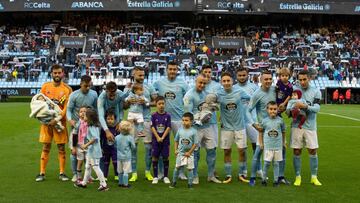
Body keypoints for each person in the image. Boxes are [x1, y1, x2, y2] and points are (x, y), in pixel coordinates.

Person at [35, 64, 72, 182]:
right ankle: (41, 173)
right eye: (55, 73)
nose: (57, 75)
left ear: (63, 74)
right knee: (46, 146)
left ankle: (62, 173)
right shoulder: (45, 87)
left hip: (59, 123)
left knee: (61, 148)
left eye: (59, 73)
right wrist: (45, 118)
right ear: (51, 73)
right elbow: (39, 103)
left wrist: (56, 119)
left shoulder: (67, 89)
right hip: (46, 123)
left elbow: (67, 108)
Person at [153, 61, 189, 180]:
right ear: (167, 70)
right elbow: (151, 93)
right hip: (162, 120)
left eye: (175, 69)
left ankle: (181, 172)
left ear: (177, 70)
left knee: (182, 146)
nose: (172, 71)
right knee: (161, 145)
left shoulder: (183, 83)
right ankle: (160, 173)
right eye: (170, 69)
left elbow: (188, 97)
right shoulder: (159, 82)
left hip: (179, 119)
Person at [184, 74, 221, 184]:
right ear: (195, 81)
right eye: (200, 82)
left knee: (212, 151)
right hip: (196, 129)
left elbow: (212, 107)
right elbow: (188, 114)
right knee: (195, 153)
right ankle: (195, 176)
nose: (202, 85)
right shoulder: (189, 95)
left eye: (204, 83)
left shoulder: (207, 94)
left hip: (208, 127)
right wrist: (198, 119)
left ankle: (211, 175)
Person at [287, 70, 322, 186]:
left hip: (310, 126)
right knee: (297, 151)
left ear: (309, 78)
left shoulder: (316, 92)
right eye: (300, 79)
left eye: (304, 79)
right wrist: (291, 111)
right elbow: (289, 108)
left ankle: (314, 177)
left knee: (312, 150)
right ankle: (298, 177)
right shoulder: (294, 91)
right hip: (296, 126)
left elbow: (317, 108)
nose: (302, 82)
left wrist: (305, 106)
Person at [217, 72, 250, 184]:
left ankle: (241, 174)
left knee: (242, 151)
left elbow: (250, 99)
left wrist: (245, 108)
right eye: (224, 81)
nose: (226, 83)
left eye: (228, 81)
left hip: (240, 126)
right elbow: (213, 103)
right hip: (226, 128)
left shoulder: (239, 92)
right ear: (221, 82)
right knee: (227, 151)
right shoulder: (218, 94)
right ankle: (228, 175)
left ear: (232, 81)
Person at [124, 66, 156, 182]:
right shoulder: (128, 88)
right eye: (139, 75)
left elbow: (156, 102)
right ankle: (134, 173)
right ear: (134, 74)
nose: (142, 77)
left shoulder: (149, 87)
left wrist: (147, 103)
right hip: (133, 121)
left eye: (143, 75)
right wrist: (128, 102)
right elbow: (123, 106)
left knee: (148, 147)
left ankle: (148, 172)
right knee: (133, 147)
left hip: (146, 120)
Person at [67, 75, 98, 182]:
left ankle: (87, 175)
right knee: (74, 152)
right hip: (76, 128)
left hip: (88, 129)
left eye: (89, 86)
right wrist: (70, 120)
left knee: (87, 153)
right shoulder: (74, 95)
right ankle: (75, 174)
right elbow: (69, 110)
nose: (88, 88)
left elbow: (95, 109)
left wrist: (95, 122)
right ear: (81, 84)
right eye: (86, 86)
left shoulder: (94, 94)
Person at [74, 109, 109, 191]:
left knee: (96, 167)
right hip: (91, 150)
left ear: (89, 117)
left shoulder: (91, 127)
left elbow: (95, 138)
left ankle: (104, 185)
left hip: (94, 150)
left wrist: (85, 145)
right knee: (87, 166)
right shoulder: (94, 125)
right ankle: (84, 183)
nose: (83, 116)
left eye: (85, 115)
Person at [259, 101, 286, 187]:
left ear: (277, 109)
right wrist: (261, 143)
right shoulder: (264, 121)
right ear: (267, 110)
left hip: (278, 146)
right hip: (268, 146)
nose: (273, 111)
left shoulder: (280, 121)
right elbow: (261, 132)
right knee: (266, 163)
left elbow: (283, 131)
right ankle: (263, 179)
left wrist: (283, 142)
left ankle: (275, 181)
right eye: (271, 109)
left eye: (275, 109)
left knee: (276, 164)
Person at [169, 112, 198, 189]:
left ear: (191, 121)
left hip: (190, 154)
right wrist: (176, 150)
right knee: (177, 167)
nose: (184, 122)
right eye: (183, 120)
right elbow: (176, 140)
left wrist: (189, 152)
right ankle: (174, 182)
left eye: (186, 120)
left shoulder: (194, 131)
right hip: (181, 153)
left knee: (190, 169)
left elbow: (195, 144)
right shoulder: (180, 130)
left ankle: (190, 184)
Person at [151, 96, 171, 184]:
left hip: (165, 140)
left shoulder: (168, 115)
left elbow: (168, 127)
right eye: (159, 104)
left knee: (165, 157)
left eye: (163, 103)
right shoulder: (153, 115)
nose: (161, 105)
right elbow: (152, 127)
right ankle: (155, 177)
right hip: (156, 141)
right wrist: (158, 137)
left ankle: (165, 176)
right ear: (156, 104)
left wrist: (162, 137)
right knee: (155, 157)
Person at [115, 120, 136, 188]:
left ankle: (120, 183)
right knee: (125, 171)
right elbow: (133, 147)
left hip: (119, 157)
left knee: (120, 170)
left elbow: (115, 145)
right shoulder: (130, 138)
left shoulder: (117, 137)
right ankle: (126, 184)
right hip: (127, 157)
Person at [71, 106, 89, 182]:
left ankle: (87, 177)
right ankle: (79, 177)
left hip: (88, 146)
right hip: (80, 146)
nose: (83, 113)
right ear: (78, 114)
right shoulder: (77, 123)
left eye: (85, 111)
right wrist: (74, 147)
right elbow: (74, 136)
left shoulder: (89, 123)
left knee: (88, 162)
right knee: (80, 161)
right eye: (81, 111)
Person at [100, 109, 118, 181]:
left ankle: (117, 175)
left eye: (112, 119)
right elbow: (101, 139)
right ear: (105, 119)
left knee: (115, 162)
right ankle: (105, 176)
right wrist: (101, 147)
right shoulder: (104, 130)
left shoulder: (117, 129)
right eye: (108, 119)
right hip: (106, 149)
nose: (110, 120)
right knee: (106, 163)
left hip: (114, 149)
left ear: (115, 120)